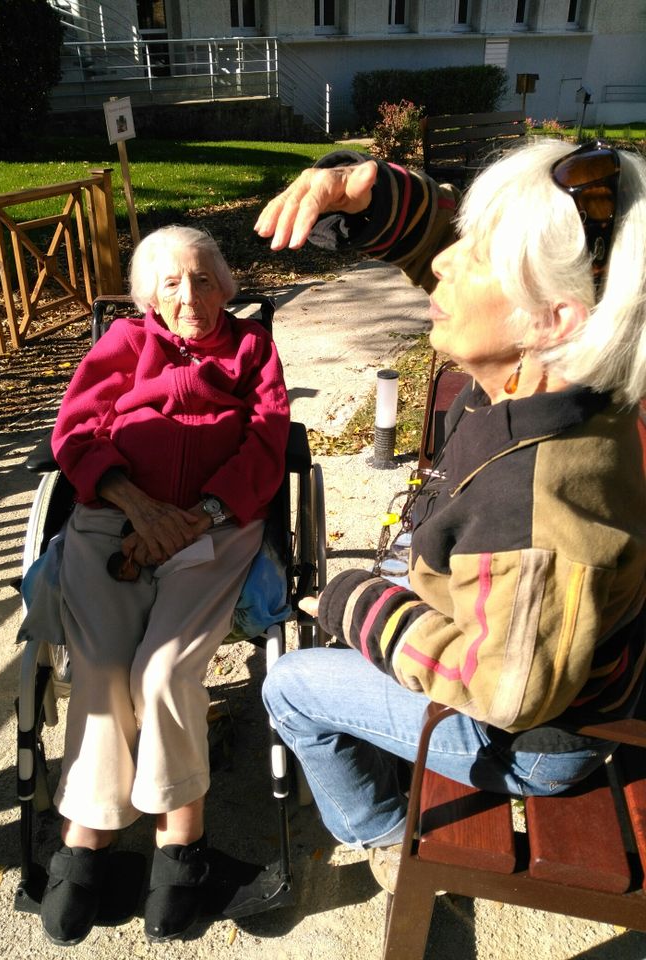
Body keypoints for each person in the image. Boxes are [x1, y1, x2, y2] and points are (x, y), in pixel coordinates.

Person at [256, 140, 646, 892]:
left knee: (291, 685)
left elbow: (508, 688)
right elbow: (435, 244)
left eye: (477, 256)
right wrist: (369, 194)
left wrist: (358, 605)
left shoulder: (540, 496)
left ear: (552, 318)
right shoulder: (562, 375)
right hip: (531, 629)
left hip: (533, 741)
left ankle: (379, 830)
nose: (442, 264)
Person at [40, 225, 290, 945]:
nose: (191, 297)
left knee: (163, 671)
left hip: (215, 527)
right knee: (101, 667)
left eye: (204, 280)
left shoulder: (252, 349)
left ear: (226, 286)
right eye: (172, 284)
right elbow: (77, 429)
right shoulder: (121, 344)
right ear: (149, 295)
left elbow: (268, 441)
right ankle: (84, 849)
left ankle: (181, 850)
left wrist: (202, 513)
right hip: (113, 521)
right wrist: (138, 507)